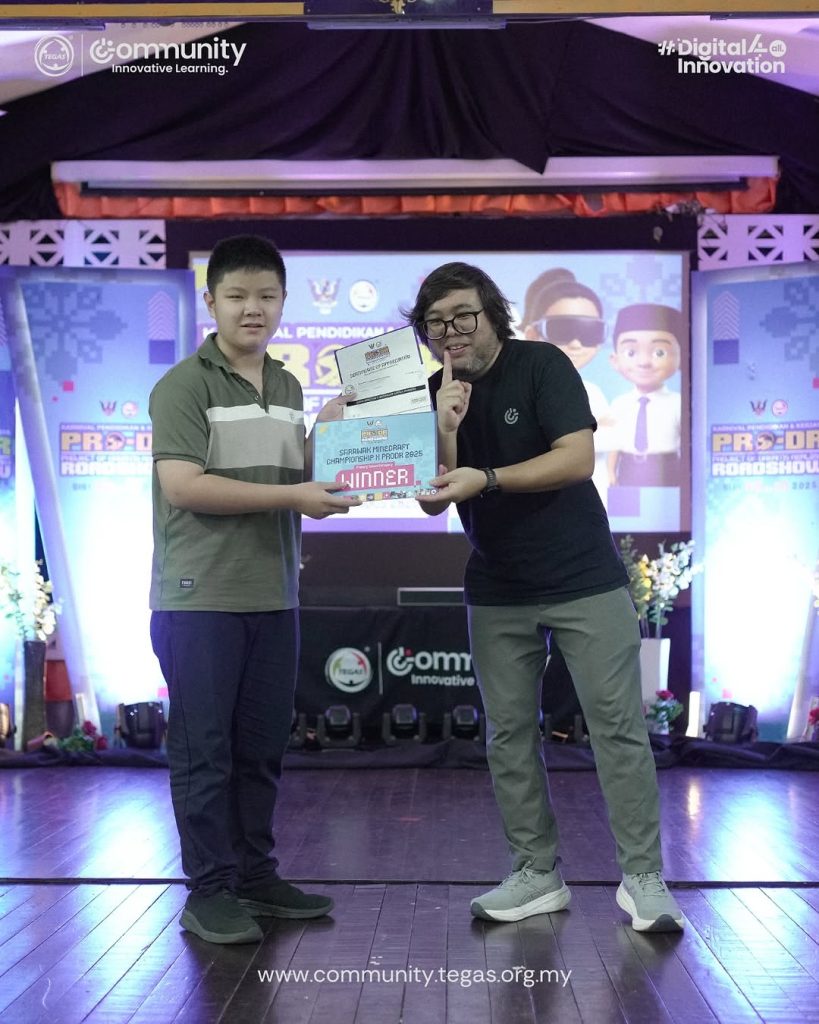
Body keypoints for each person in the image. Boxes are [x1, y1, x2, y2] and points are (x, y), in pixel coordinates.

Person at [405, 261, 683, 933]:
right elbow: (430, 498)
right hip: (497, 586)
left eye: (463, 315)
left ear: (493, 314)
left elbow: (576, 459)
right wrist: (444, 426)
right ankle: (536, 873)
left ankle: (643, 878)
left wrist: (488, 477)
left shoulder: (541, 364)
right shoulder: (433, 392)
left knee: (616, 727)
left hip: (583, 578)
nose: (451, 331)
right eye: (436, 322)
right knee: (507, 734)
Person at [149, 234, 359, 945]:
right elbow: (184, 486)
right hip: (199, 598)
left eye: (266, 296)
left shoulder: (288, 386)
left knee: (262, 747)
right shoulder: (185, 385)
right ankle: (208, 891)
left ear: (282, 302)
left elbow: (294, 476)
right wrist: (295, 495)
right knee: (204, 751)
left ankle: (254, 876)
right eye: (237, 296)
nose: (253, 309)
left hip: (274, 595)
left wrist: (330, 434)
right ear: (210, 301)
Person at [520, 268, 614, 509]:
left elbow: (611, 435)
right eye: (562, 329)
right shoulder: (522, 392)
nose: (576, 343)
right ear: (531, 333)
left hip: (587, 508)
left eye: (589, 332)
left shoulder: (593, 392)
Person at [607, 303, 684, 487]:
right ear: (615, 360)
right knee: (626, 506)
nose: (644, 362)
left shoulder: (678, 402)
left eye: (659, 352)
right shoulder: (619, 404)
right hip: (628, 467)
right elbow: (614, 442)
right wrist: (610, 472)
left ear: (680, 358)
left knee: (668, 504)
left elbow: (686, 443)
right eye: (631, 352)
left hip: (667, 467)